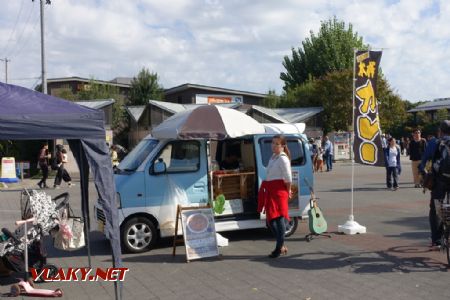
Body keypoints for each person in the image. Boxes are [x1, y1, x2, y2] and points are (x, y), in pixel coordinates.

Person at [257, 135, 292, 258]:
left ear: (282, 146)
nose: (274, 146)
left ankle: (278, 249)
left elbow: (288, 178)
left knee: (279, 219)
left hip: (279, 191)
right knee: (271, 220)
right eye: (272, 143)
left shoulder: (283, 158)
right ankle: (281, 245)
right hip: (271, 190)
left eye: (277, 144)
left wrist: (288, 191)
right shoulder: (273, 157)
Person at [419, 121, 450, 249]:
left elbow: (422, 163)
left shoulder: (435, 142)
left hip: (440, 182)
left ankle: (436, 240)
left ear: (440, 131)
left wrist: (425, 173)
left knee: (434, 210)